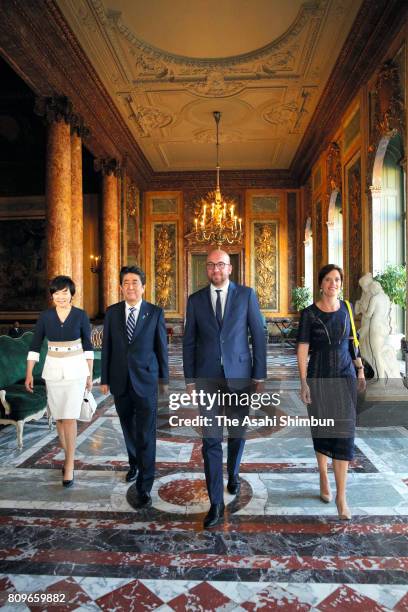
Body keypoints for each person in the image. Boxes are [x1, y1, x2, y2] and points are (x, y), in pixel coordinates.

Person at [183, 248, 267, 529]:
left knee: (237, 432)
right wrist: (190, 380)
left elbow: (258, 335)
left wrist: (259, 376)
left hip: (240, 377)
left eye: (221, 264)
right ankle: (215, 503)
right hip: (207, 379)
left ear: (230, 268)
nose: (216, 269)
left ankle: (233, 472)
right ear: (206, 269)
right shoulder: (195, 301)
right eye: (210, 265)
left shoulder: (246, 295)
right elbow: (189, 342)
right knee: (210, 440)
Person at [296, 264, 366, 520]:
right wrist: (303, 382)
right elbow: (303, 349)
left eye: (337, 280)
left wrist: (359, 370)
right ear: (321, 284)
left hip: (345, 376)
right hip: (319, 378)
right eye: (328, 279)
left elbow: (353, 342)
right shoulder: (309, 314)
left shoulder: (346, 309)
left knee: (345, 434)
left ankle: (341, 496)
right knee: (323, 430)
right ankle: (323, 476)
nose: (333, 284)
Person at [101, 265, 168, 508]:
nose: (130, 287)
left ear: (143, 287)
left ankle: (145, 485)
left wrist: (164, 381)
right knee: (128, 427)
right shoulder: (112, 313)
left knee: (146, 433)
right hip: (120, 381)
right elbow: (107, 348)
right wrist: (105, 379)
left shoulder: (155, 313)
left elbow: (162, 349)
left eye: (134, 282)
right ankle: (134, 463)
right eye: (126, 283)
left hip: (146, 381)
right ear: (121, 287)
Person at [25, 276, 94, 488]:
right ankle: (68, 453)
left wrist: (89, 375)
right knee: (60, 418)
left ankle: (70, 464)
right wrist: (29, 373)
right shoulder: (45, 317)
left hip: (76, 370)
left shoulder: (81, 315)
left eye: (65, 293)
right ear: (52, 295)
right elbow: (35, 346)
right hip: (53, 370)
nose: (60, 297)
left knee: (70, 417)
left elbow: (88, 346)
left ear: (72, 294)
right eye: (56, 293)